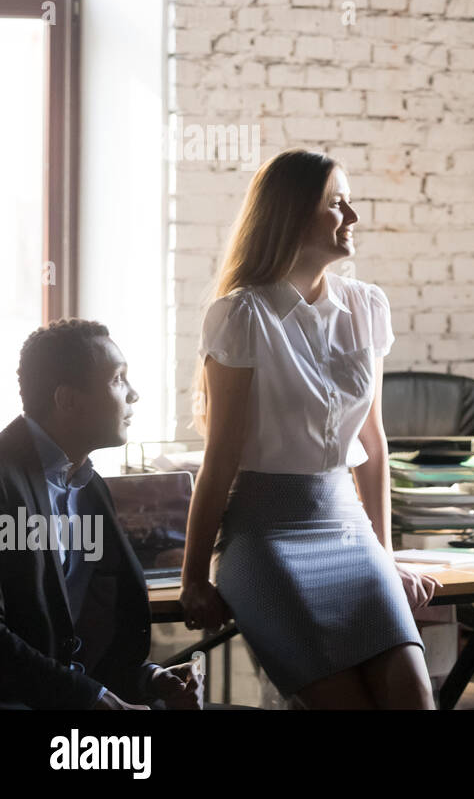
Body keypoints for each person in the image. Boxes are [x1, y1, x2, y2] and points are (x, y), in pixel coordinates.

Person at [180, 149, 437, 709]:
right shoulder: (241, 314)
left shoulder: (366, 306)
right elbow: (219, 458)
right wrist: (194, 575)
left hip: (349, 530)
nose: (354, 217)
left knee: (416, 698)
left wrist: (387, 555)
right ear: (294, 216)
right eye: (336, 205)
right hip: (265, 536)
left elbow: (373, 444)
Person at [0, 319, 200, 709]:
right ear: (68, 400)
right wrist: (93, 698)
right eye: (118, 379)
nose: (134, 395)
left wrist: (148, 678)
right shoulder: (4, 480)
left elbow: (73, 636)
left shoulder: (88, 486)